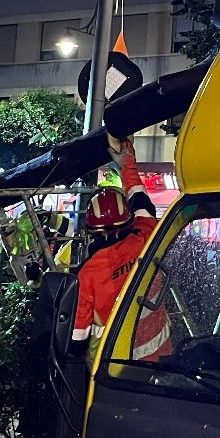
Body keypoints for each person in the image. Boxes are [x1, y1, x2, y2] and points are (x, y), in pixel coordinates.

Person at [70, 137, 172, 362]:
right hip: (164, 359)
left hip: (116, 373)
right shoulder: (143, 237)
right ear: (128, 220)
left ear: (91, 231)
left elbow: (77, 340)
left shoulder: (88, 274)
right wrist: (127, 164)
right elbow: (141, 202)